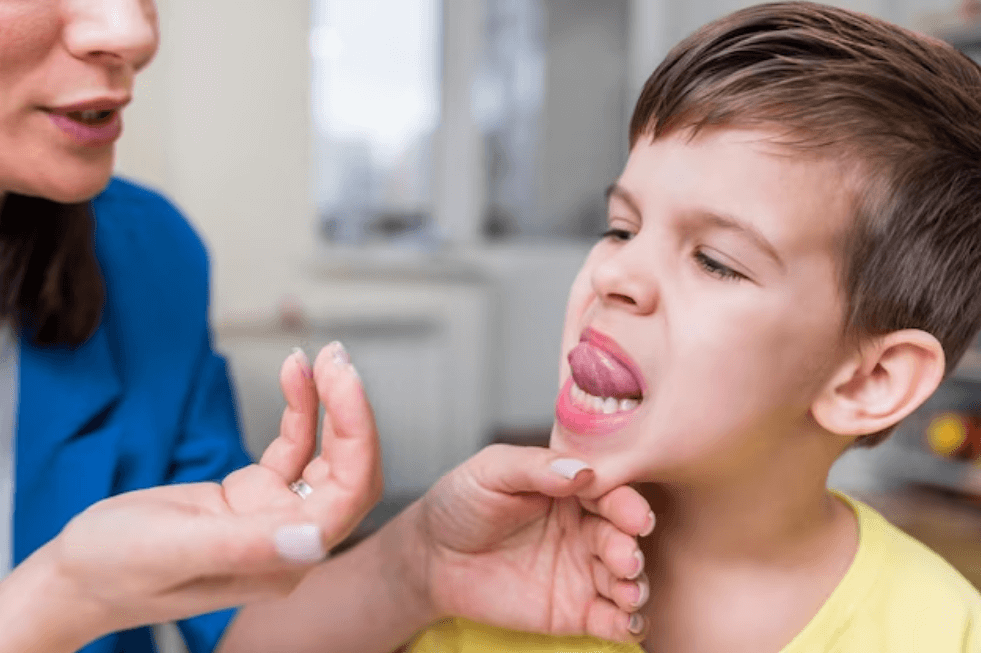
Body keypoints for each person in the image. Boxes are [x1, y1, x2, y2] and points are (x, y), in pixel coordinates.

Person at [0, 0, 654, 651]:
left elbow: (236, 629)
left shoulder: (148, 257)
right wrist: (62, 597)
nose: (133, 32)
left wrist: (420, 563)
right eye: (618, 229)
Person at [402, 2, 981, 652]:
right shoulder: (478, 575)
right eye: (620, 228)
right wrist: (409, 569)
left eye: (713, 261)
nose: (615, 275)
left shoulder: (946, 631)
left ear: (868, 379)